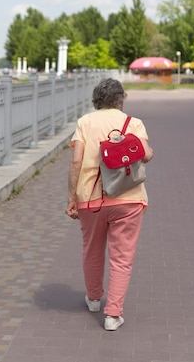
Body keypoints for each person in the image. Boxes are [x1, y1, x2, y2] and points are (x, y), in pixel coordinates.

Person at [66, 77, 153, 331]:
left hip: (91, 199)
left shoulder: (85, 122)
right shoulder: (133, 123)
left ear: (96, 100)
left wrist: (72, 197)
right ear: (121, 99)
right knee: (122, 257)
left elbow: (76, 161)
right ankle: (113, 315)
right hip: (128, 197)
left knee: (92, 250)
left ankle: (94, 298)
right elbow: (146, 155)